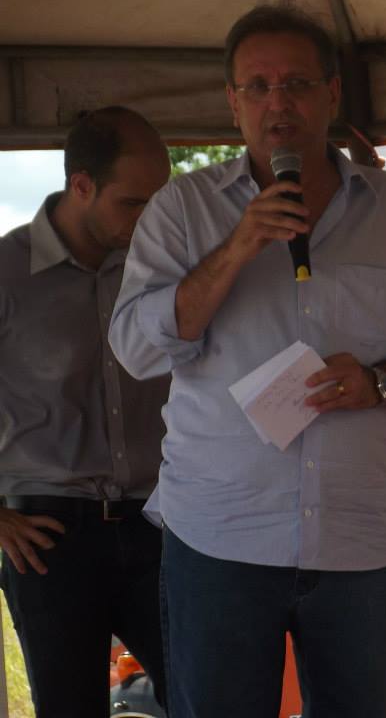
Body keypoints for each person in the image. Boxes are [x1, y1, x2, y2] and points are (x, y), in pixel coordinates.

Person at [108, 5, 386, 718]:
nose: (277, 102)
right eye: (257, 86)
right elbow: (134, 346)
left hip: (355, 537)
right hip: (219, 536)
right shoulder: (183, 210)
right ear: (232, 102)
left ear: (332, 94)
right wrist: (238, 247)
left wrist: (380, 382)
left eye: (297, 84)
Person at [0, 106, 171, 717]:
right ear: (81, 185)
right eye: (133, 202)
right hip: (48, 536)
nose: (149, 217)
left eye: (159, 200)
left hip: (161, 521)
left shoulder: (163, 266)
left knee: (210, 696)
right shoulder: (7, 272)